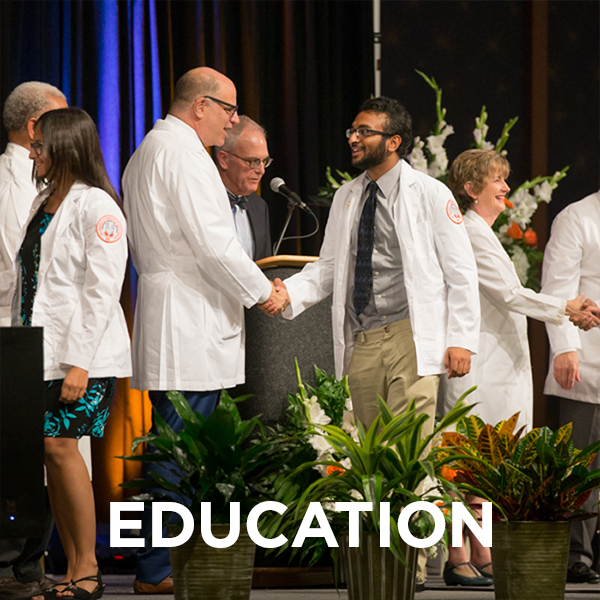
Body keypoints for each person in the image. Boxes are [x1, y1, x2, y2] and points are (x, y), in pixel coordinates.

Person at [269, 96, 481, 591]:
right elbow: (326, 269)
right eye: (352, 129)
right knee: (367, 453)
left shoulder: (430, 194)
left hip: (413, 334)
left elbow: (460, 272)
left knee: (409, 450)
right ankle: (378, 563)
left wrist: (461, 340)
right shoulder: (348, 196)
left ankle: (413, 567)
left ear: (394, 141)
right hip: (363, 335)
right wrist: (287, 294)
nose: (353, 138)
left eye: (364, 131)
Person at [122, 66, 287, 595]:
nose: (232, 120)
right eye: (228, 109)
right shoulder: (183, 156)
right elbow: (214, 244)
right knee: (178, 451)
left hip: (179, 312)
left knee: (174, 447)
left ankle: (164, 564)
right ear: (200, 106)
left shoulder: (151, 148)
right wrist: (264, 292)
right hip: (188, 317)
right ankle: (156, 568)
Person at [440, 148, 598, 587]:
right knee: (465, 463)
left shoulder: (484, 233)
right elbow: (511, 294)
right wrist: (567, 307)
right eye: (497, 180)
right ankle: (457, 556)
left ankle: (483, 551)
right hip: (478, 367)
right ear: (471, 189)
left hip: (497, 365)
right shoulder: (470, 232)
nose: (506, 188)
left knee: (485, 466)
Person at [0, 107, 131, 600]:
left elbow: (101, 292)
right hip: (39, 352)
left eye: (41, 145)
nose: (33, 152)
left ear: (66, 146)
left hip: (84, 356)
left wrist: (79, 362)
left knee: (61, 448)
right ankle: (70, 567)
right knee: (50, 456)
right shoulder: (44, 199)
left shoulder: (97, 206)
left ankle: (87, 569)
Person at [0, 81, 68, 600]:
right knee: (18, 459)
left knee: (36, 457)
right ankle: (16, 567)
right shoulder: (12, 183)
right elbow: (13, 270)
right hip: (13, 339)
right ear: (34, 129)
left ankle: (29, 563)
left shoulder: (48, 183)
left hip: (34, 340)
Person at [542, 190, 600, 583]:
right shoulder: (577, 217)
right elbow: (558, 290)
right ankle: (576, 554)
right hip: (589, 359)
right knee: (582, 465)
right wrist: (564, 347)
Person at [214, 115, 273, 260]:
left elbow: (265, 267)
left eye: (264, 161)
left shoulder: (259, 206)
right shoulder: (204, 201)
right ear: (224, 159)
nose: (261, 170)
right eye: (253, 161)